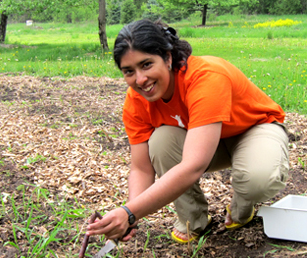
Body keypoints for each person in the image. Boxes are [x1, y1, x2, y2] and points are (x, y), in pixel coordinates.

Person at [86, 19, 289, 244]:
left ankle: (242, 205)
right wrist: (131, 215)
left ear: (167, 58)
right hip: (208, 140)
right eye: (129, 71)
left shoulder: (205, 77)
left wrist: (128, 213)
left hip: (253, 129)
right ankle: (193, 219)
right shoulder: (136, 101)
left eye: (146, 64)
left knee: (257, 179)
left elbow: (194, 165)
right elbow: (141, 169)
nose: (140, 79)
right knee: (161, 142)